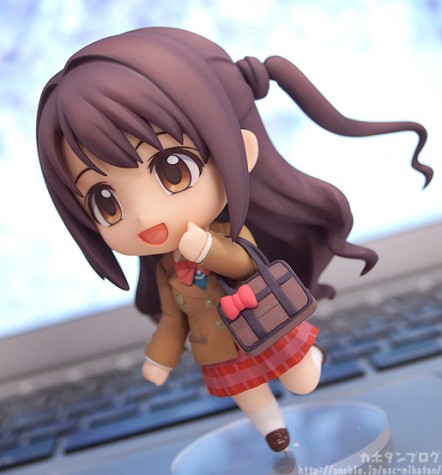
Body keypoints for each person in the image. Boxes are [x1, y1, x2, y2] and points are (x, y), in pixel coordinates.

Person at [36, 27, 432, 451]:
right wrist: (160, 357)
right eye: (106, 202)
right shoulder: (167, 269)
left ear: (240, 153)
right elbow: (173, 319)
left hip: (267, 324)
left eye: (173, 171)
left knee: (302, 380)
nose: (145, 217)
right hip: (217, 348)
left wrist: (208, 250)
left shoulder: (228, 233)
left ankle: (312, 357)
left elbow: (245, 263)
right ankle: (273, 430)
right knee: (247, 391)